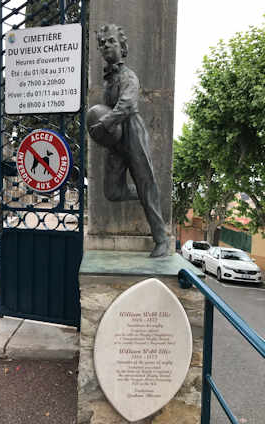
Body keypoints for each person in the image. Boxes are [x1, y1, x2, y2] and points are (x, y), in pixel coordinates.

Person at [89, 24, 168, 257]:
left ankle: (161, 240)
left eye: (110, 41)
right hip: (115, 138)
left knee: (145, 182)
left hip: (132, 130)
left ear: (122, 47)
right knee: (112, 191)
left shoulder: (127, 76)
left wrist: (104, 124)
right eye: (102, 44)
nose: (105, 46)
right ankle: (147, 191)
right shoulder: (108, 80)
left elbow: (127, 105)